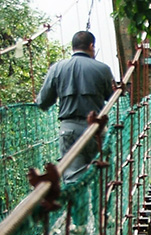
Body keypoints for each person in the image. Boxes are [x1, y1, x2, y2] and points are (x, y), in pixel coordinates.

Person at [36, 31, 114, 184]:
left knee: (73, 181)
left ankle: (77, 208)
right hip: (95, 130)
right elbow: (111, 97)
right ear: (91, 46)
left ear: (73, 47)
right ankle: (102, 208)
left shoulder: (56, 68)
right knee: (102, 179)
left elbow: (43, 102)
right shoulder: (102, 69)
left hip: (69, 130)